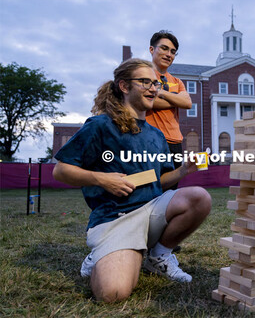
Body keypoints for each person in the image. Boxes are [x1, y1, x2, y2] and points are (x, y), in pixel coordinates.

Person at [53, 58, 211, 302]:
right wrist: (102, 179)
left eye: (156, 83)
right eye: (145, 82)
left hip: (151, 211)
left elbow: (158, 181)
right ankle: (101, 256)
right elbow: (61, 171)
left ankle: (159, 256)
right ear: (125, 87)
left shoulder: (156, 135)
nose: (153, 88)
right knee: (113, 293)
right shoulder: (100, 125)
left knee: (199, 197)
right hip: (115, 219)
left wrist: (183, 171)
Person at [146, 30, 192, 191]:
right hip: (151, 140)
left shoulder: (177, 81)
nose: (169, 54)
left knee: (171, 189)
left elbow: (187, 102)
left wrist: (162, 93)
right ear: (152, 49)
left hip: (175, 142)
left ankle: (166, 217)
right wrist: (175, 99)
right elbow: (147, 102)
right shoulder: (143, 76)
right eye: (164, 48)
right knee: (149, 184)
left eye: (173, 52)